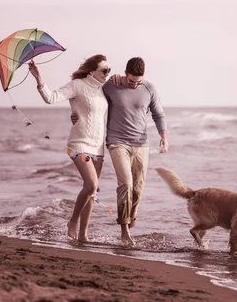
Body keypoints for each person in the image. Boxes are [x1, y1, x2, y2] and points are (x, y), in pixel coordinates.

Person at [72, 56, 168, 246]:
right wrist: (76, 112)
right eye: (131, 81)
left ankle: (130, 218)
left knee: (138, 189)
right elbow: (89, 95)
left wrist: (164, 136)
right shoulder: (111, 85)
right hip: (117, 142)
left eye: (138, 82)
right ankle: (124, 231)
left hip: (141, 143)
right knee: (126, 183)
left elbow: (158, 114)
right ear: (125, 74)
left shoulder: (149, 88)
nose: (134, 85)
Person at [29, 54, 111, 242]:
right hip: (79, 143)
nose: (107, 74)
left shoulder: (103, 89)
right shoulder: (77, 85)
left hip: (98, 147)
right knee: (91, 184)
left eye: (109, 70)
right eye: (104, 70)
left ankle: (83, 235)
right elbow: (51, 98)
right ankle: (72, 221)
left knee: (92, 191)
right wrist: (38, 77)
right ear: (92, 71)